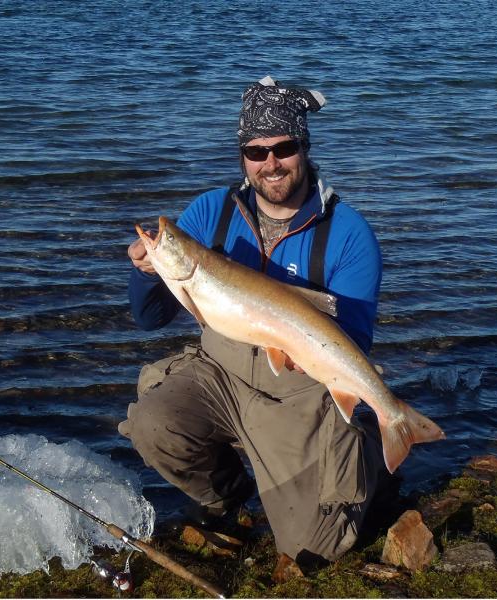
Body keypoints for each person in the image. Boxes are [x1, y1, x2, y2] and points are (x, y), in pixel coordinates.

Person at [119, 76, 388, 565]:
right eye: (255, 150)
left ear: (303, 147)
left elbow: (352, 348)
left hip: (298, 387)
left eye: (283, 148)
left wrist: (301, 349)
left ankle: (369, 452)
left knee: (313, 549)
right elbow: (149, 317)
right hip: (220, 371)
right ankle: (229, 499)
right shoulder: (209, 212)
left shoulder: (349, 235)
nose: (270, 163)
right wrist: (147, 266)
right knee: (153, 424)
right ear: (242, 155)